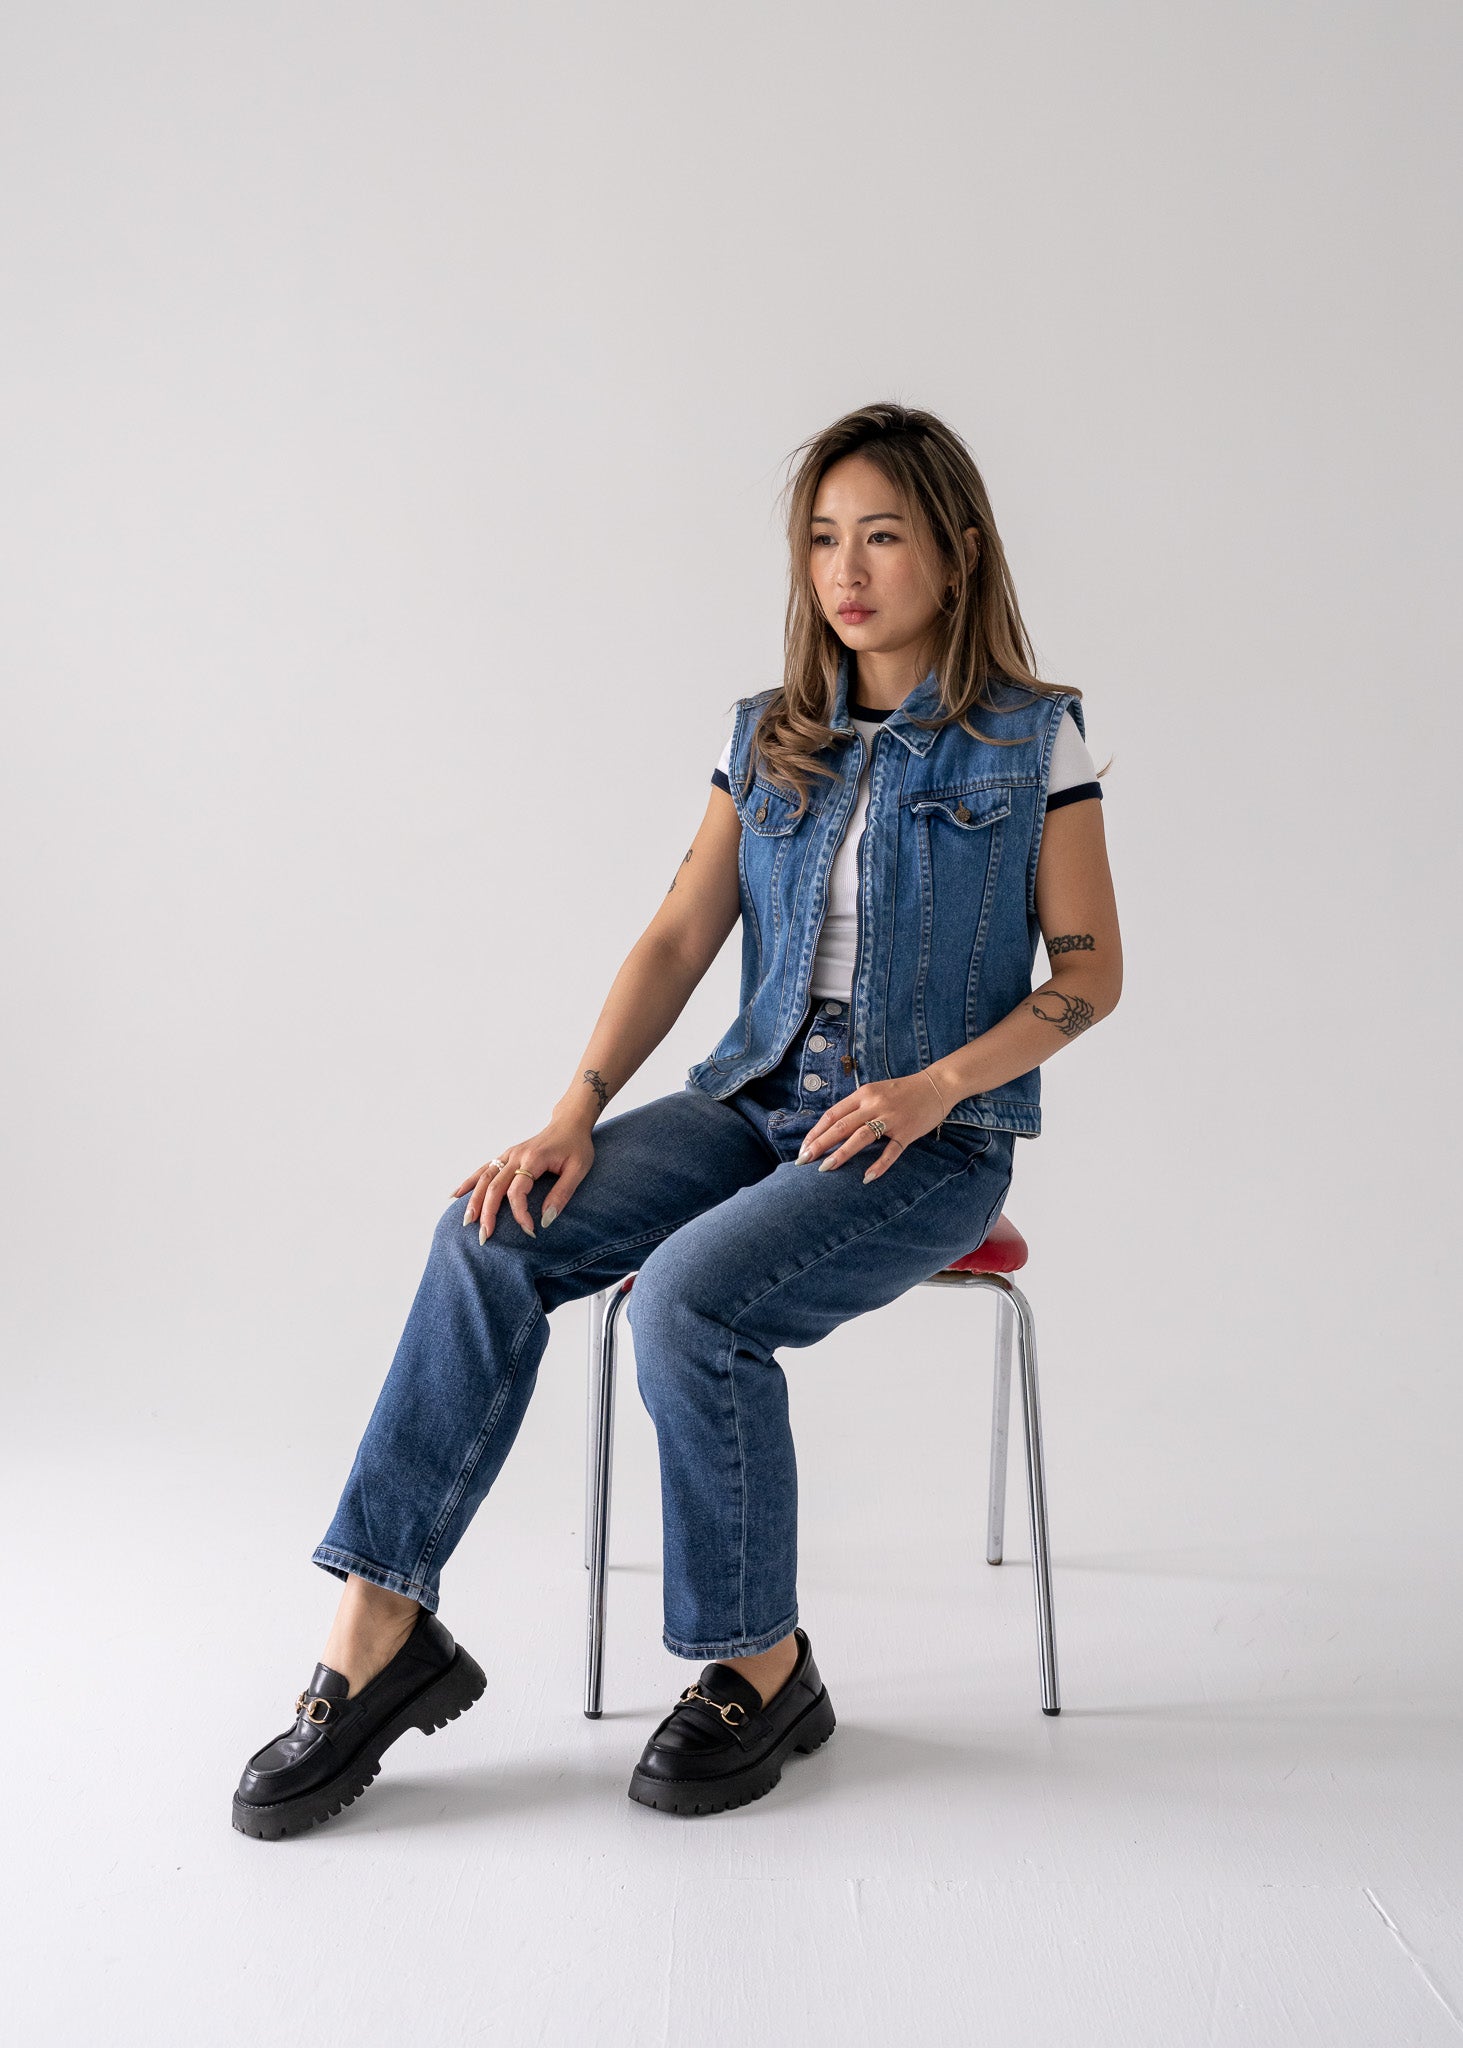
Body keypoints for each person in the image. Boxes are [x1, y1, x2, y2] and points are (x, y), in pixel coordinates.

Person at [232, 400, 1123, 1836]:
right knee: (491, 1232)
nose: (849, 568)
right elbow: (675, 937)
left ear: (956, 554)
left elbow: (1091, 970)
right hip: (755, 1100)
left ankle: (758, 1665)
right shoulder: (771, 736)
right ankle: (381, 1628)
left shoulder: (1030, 740)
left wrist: (938, 1085)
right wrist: (571, 1113)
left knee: (691, 1302)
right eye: (825, 538)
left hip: (926, 1142)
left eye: (882, 535)